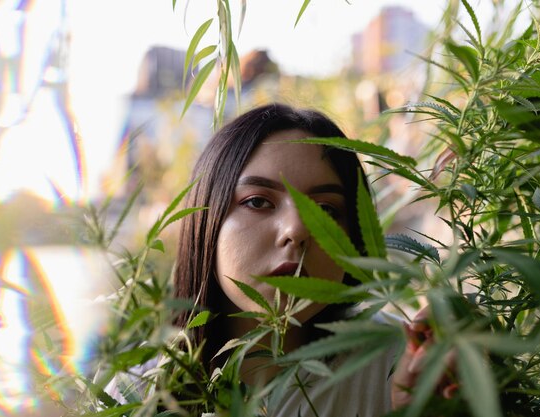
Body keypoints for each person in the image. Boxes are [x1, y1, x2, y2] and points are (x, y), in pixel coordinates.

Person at [173, 103, 407, 416]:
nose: (296, 230)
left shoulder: (398, 364)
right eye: (258, 202)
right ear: (206, 221)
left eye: (326, 211)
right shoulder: (139, 391)